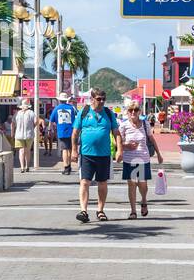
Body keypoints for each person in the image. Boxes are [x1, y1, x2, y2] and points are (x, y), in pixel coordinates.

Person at [72, 90, 121, 223]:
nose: (102, 102)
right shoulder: (84, 112)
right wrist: (74, 151)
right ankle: (83, 211)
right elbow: (75, 133)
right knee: (85, 182)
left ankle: (100, 210)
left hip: (104, 154)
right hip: (86, 154)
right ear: (92, 99)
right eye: (99, 99)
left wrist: (119, 150)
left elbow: (116, 133)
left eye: (103, 99)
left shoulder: (109, 114)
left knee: (102, 183)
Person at [119, 101, 164, 218]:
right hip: (129, 159)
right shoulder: (124, 125)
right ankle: (133, 211)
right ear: (127, 112)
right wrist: (126, 146)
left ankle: (144, 200)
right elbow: (118, 143)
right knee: (132, 184)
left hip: (143, 159)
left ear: (139, 112)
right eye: (130, 110)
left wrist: (159, 154)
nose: (133, 112)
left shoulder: (145, 124)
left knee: (142, 184)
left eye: (135, 110)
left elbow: (152, 139)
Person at [50, 92, 78, 175]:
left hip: (62, 132)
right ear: (66, 100)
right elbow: (78, 117)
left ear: (59, 100)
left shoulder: (56, 108)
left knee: (64, 150)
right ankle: (69, 166)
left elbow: (51, 121)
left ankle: (66, 167)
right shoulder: (72, 108)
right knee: (69, 149)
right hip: (72, 131)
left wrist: (51, 130)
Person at [13, 99, 37, 173]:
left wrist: (13, 132)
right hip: (29, 134)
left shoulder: (17, 113)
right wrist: (32, 127)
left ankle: (22, 167)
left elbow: (13, 123)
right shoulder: (31, 113)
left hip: (19, 134)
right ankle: (26, 166)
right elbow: (36, 121)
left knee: (21, 151)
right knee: (27, 150)